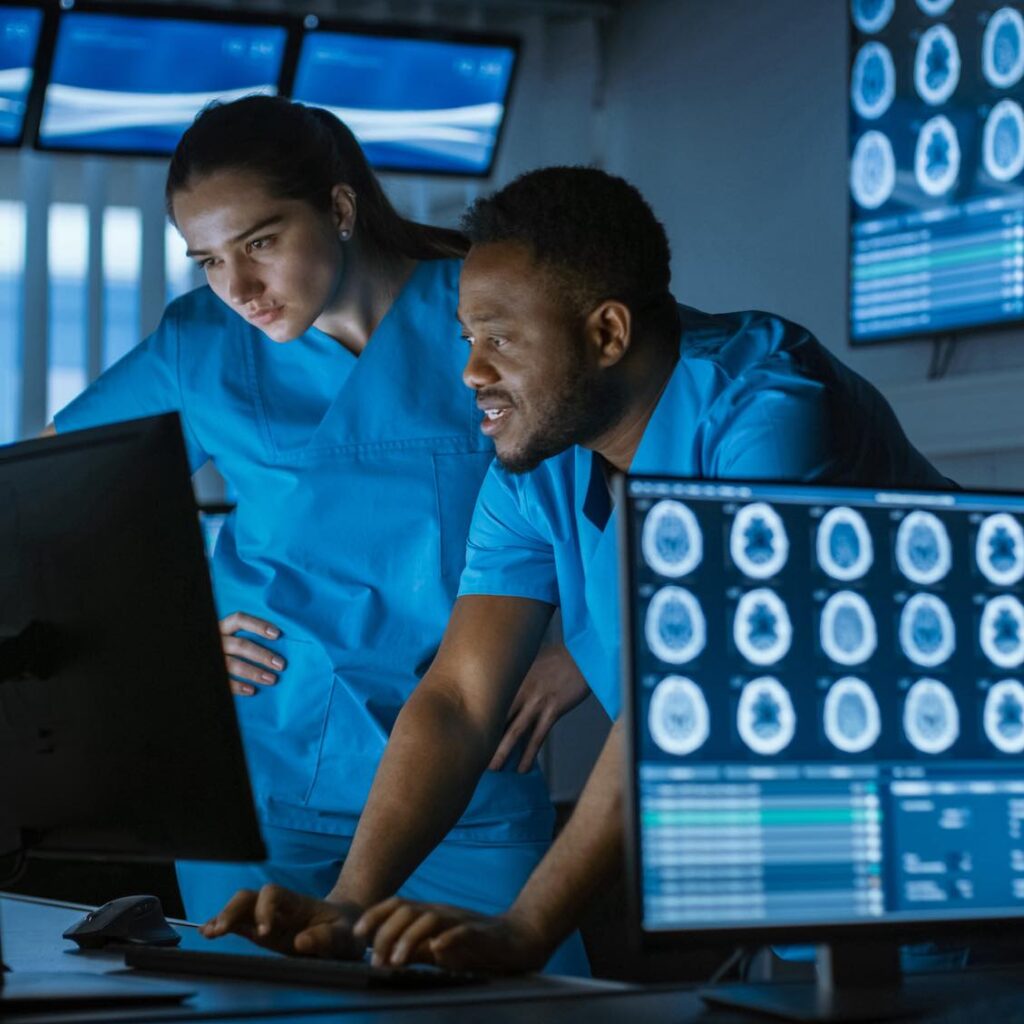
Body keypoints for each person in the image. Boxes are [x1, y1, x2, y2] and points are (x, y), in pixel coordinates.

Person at [200, 165, 950, 973]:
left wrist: (526, 929)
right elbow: (459, 697)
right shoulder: (539, 464)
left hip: (945, 846)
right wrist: (351, 905)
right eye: (466, 338)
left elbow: (689, 699)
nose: (471, 372)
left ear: (606, 334)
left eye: (499, 338)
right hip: (790, 859)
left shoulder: (768, 412)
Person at [48, 100, 590, 975]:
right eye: (208, 260)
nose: (238, 289)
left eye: (260, 243)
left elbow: (642, 465)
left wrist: (586, 653)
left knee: (524, 1000)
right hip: (263, 765)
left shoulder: (486, 305)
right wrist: (163, 638)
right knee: (257, 1006)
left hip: (470, 774)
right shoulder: (202, 345)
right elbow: (49, 502)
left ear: (338, 209)